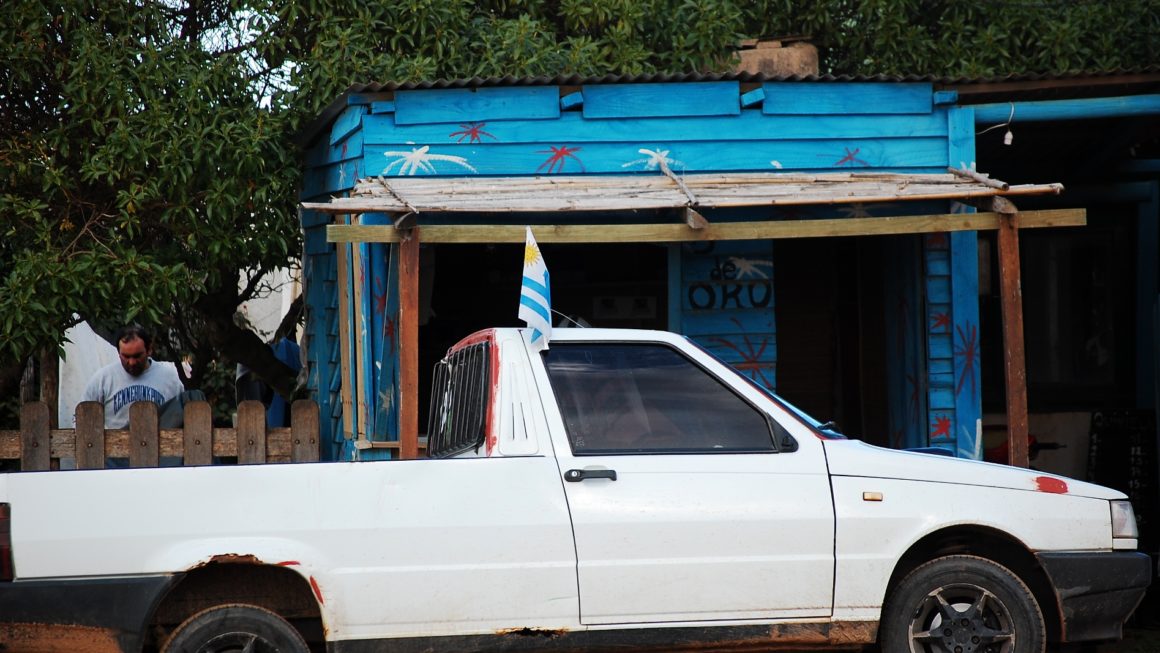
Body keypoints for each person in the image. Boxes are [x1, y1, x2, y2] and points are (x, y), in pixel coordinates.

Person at [80, 325, 186, 429]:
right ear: (118, 352)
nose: (131, 362)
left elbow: (182, 417)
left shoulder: (170, 378)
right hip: (115, 445)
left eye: (137, 356)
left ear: (149, 350)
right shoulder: (103, 379)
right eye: (125, 356)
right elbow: (81, 418)